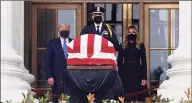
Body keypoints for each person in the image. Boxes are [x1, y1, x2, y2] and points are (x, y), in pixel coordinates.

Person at [117, 25, 147, 102]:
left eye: (133, 32)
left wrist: (144, 77)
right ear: (127, 34)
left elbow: (144, 61)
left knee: (137, 95)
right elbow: (119, 62)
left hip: (137, 72)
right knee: (127, 95)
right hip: (126, 72)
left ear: (136, 34)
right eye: (129, 32)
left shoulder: (140, 45)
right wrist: (119, 76)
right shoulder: (122, 46)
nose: (131, 34)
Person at [44, 24, 73, 103]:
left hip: (71, 78)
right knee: (56, 99)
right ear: (59, 31)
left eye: (66, 31)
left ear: (69, 31)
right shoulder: (52, 43)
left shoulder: (73, 42)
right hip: (56, 78)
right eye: (63, 30)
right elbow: (48, 60)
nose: (65, 32)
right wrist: (49, 76)